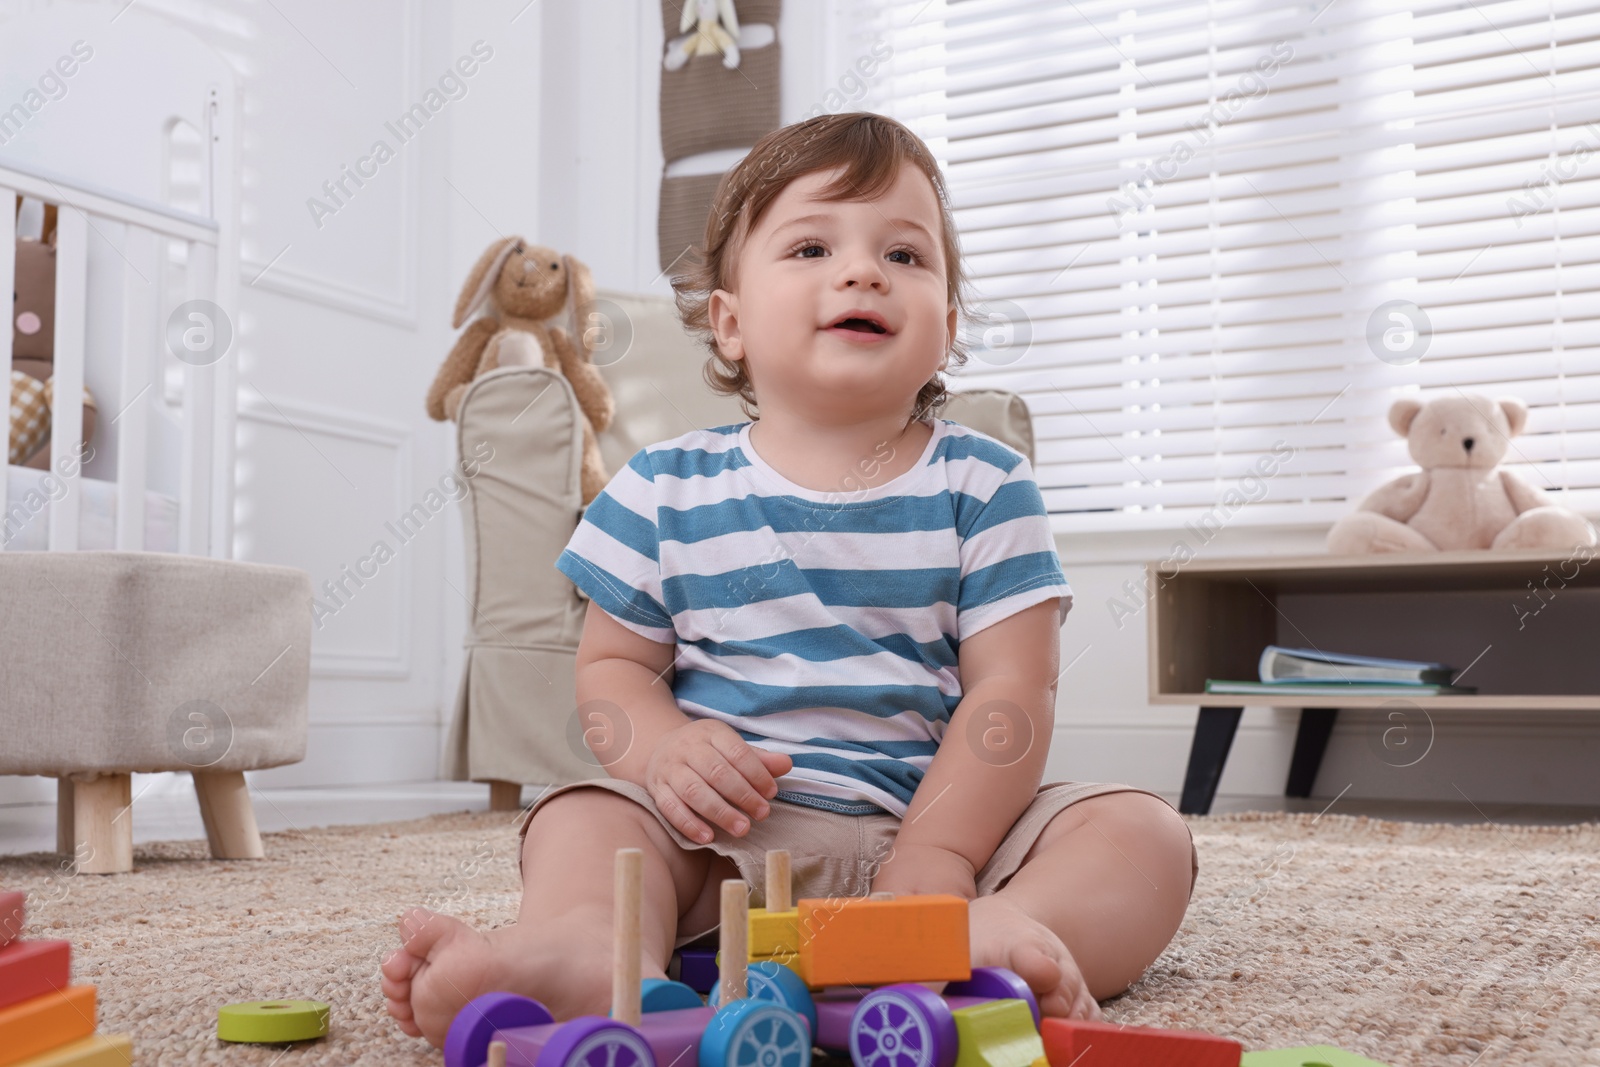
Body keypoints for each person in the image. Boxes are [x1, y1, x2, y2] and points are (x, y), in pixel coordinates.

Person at [382, 111, 1196, 1048]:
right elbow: (612, 676)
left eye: (905, 253)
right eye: (812, 245)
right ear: (729, 323)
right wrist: (664, 753)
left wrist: (939, 854)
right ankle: (589, 946)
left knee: (1144, 837)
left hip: (938, 832)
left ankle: (975, 940)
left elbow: (1012, 693)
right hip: (727, 846)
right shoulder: (662, 488)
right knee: (582, 814)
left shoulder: (985, 484)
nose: (862, 271)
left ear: (948, 328)